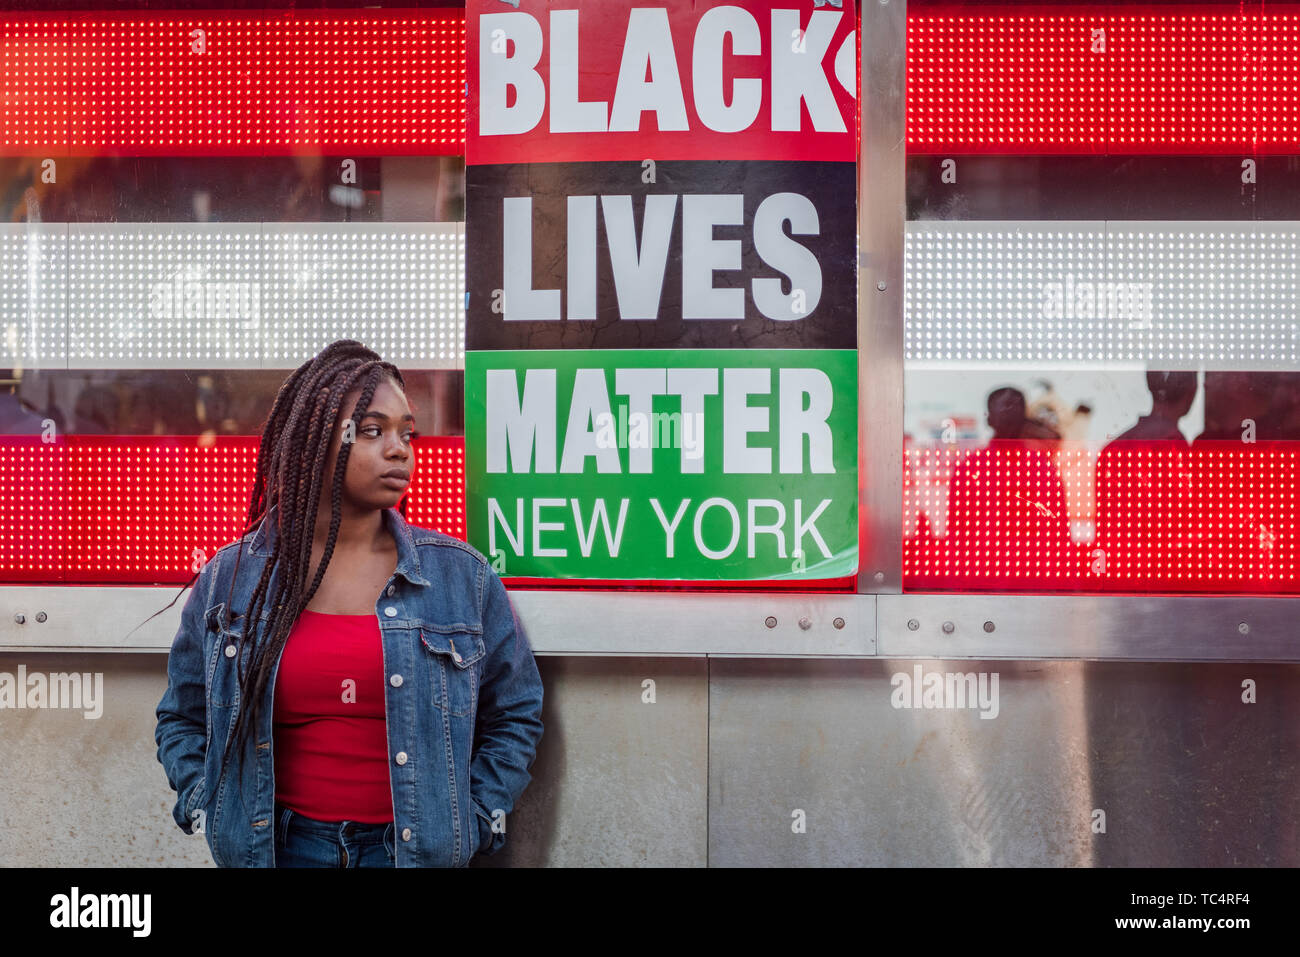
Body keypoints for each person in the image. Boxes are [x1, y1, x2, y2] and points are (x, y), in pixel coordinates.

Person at [153, 339, 544, 867]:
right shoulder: (235, 578)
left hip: (411, 854)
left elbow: (515, 715)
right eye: (372, 430)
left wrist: (471, 818)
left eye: (408, 432)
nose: (400, 449)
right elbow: (182, 715)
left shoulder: (460, 577)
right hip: (276, 850)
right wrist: (209, 806)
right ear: (313, 441)